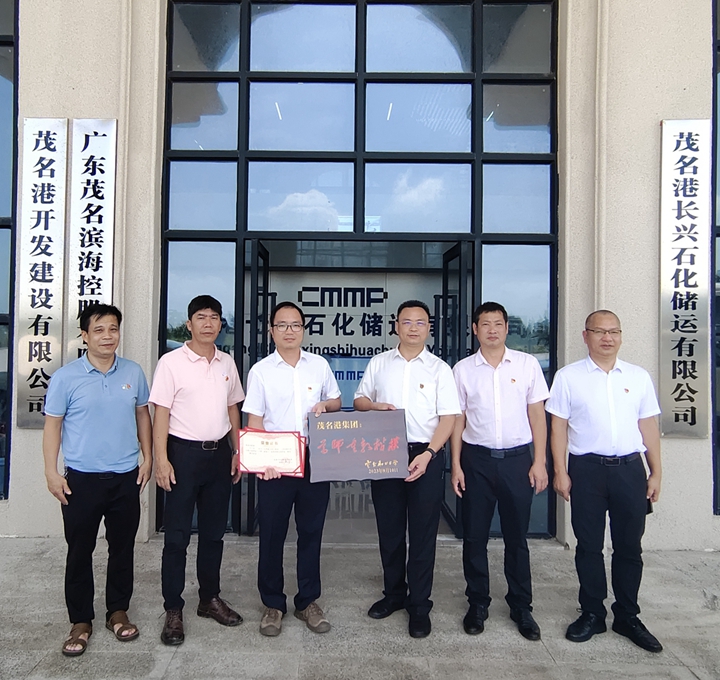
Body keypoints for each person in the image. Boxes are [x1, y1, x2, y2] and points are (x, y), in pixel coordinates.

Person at [546, 310, 663, 653]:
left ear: (621, 336)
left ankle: (627, 616)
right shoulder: (568, 377)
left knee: (629, 547)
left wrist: (656, 471)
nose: (607, 338)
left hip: (630, 470)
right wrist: (560, 470)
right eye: (599, 332)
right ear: (586, 336)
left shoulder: (638, 377)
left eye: (613, 331)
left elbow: (648, 427)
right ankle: (592, 613)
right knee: (588, 546)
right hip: (587, 470)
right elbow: (558, 428)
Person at [43, 303, 153, 657]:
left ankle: (117, 611)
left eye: (113, 329)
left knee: (122, 548)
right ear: (84, 335)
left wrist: (148, 457)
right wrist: (51, 472)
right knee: (80, 551)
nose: (108, 336)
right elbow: (53, 426)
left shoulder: (133, 372)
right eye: (99, 330)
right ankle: (80, 621)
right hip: (81, 481)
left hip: (125, 477)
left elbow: (143, 415)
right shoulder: (66, 377)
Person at [354, 299, 460, 638]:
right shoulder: (380, 363)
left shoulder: (440, 369)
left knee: (423, 532)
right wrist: (374, 406)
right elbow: (359, 400)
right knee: (390, 528)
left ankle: (419, 605)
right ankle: (394, 594)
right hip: (386, 451)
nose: (413, 328)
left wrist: (429, 453)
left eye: (420, 322)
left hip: (425, 453)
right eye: (407, 322)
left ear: (429, 328)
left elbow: (449, 417)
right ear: (396, 326)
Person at [450, 301, 549, 640]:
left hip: (518, 461)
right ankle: (477, 603)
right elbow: (458, 419)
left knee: (516, 537)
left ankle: (521, 606)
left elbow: (537, 415)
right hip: (476, 461)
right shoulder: (463, 369)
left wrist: (539, 461)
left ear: (507, 328)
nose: (491, 329)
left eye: (498, 324)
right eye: (485, 324)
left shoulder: (526, 364)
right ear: (474, 329)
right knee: (474, 537)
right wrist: (456, 465)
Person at [242, 301, 341, 637]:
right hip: (276, 461)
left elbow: (336, 401)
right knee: (272, 533)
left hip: (315, 458)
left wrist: (326, 405)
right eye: (282, 325)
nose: (289, 331)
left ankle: (307, 601)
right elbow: (254, 420)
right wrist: (260, 462)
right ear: (271, 331)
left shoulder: (319, 365)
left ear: (303, 330)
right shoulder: (261, 371)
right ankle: (273, 603)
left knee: (311, 531)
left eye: (295, 325)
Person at [150, 295, 244, 645]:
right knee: (176, 537)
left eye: (214, 317)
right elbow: (160, 412)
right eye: (201, 317)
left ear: (221, 324)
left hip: (218, 456)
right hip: (182, 456)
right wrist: (161, 459)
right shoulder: (171, 362)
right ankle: (173, 608)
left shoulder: (226, 362)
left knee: (213, 534)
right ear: (189, 324)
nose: (208, 323)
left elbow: (233, 409)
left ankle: (209, 599)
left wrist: (238, 450)